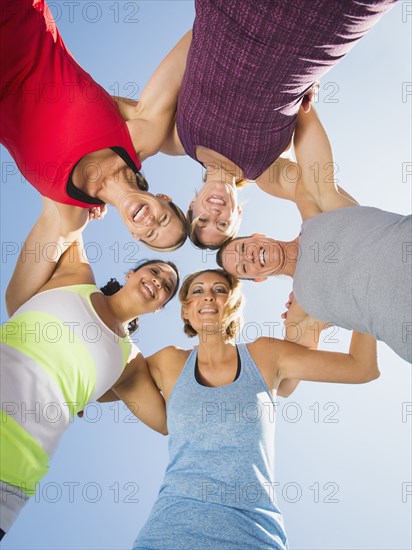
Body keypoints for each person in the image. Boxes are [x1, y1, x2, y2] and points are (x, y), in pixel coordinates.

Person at [104, 269, 378, 549]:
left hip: (253, 536)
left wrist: (365, 295)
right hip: (168, 534)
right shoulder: (168, 362)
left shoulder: (265, 354)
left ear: (233, 304)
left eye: (220, 290)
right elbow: (101, 386)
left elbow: (361, 366)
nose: (208, 296)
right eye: (197, 291)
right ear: (186, 311)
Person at [149, 0, 396, 248]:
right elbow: (323, 195)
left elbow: (122, 116)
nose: (214, 214)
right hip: (318, 25)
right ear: (239, 216)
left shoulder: (176, 139)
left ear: (192, 204)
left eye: (202, 220)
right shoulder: (267, 173)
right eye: (223, 224)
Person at [0, 198, 180, 539]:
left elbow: (169, 422)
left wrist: (164, 362)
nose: (158, 282)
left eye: (166, 288)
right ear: (132, 273)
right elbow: (62, 205)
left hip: (10, 474)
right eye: (154, 271)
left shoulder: (130, 364)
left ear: (159, 309)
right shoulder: (76, 274)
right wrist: (92, 204)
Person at [217, 107, 412, 363]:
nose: (250, 257)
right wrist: (348, 308)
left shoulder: (317, 211)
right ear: (259, 278)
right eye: (244, 267)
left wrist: (301, 96)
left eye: (243, 249)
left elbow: (301, 159)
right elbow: (285, 382)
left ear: (258, 236)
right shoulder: (302, 310)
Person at [0, 0, 189, 251]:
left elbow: (17, 292)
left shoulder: (70, 215)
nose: (151, 221)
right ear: (163, 199)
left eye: (151, 234)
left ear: (134, 234)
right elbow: (201, 35)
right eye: (164, 218)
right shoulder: (142, 136)